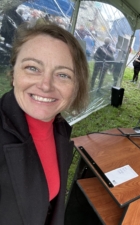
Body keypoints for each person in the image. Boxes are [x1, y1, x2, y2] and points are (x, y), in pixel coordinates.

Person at [0, 23, 89, 225]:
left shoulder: (60, 129)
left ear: (76, 86)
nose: (46, 85)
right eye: (33, 68)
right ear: (13, 74)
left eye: (63, 74)